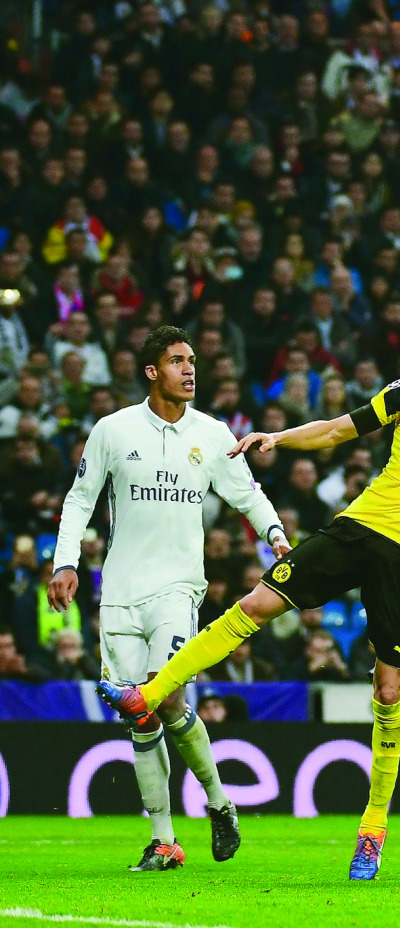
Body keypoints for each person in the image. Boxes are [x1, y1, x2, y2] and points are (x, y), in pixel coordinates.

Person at [98, 310, 400, 882]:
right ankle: (150, 693)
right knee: (256, 604)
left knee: (390, 688)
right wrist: (278, 438)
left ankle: (372, 830)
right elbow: (338, 429)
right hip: (360, 529)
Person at [48, 325, 290, 872]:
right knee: (138, 715)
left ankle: (219, 802)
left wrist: (275, 535)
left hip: (178, 589)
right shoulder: (113, 430)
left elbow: (248, 494)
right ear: (153, 371)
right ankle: (163, 841)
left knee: (168, 698)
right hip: (119, 593)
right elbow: (80, 499)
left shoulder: (213, 433)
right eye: (178, 361)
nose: (190, 369)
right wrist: (65, 561)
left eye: (192, 360)